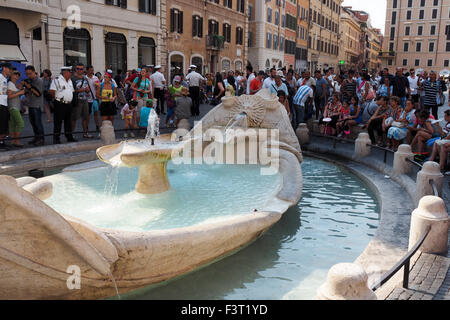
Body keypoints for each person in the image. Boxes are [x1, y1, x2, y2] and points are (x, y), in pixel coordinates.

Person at [50, 66, 77, 144]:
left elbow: (72, 91)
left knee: (68, 121)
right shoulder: (57, 80)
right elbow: (52, 91)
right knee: (58, 122)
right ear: (65, 72)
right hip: (60, 103)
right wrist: (57, 98)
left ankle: (69, 136)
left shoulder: (70, 81)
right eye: (70, 72)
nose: (71, 74)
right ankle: (56, 138)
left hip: (68, 104)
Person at [24, 65, 45, 146]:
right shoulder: (30, 80)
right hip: (30, 104)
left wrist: (30, 87)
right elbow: (27, 91)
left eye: (30, 73)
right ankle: (36, 137)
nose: (28, 75)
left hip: (37, 105)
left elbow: (38, 94)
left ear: (34, 72)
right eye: (27, 74)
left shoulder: (39, 81)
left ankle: (41, 139)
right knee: (33, 123)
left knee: (38, 123)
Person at [71, 63, 92, 139]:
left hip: (85, 99)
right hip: (77, 100)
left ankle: (85, 133)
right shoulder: (73, 78)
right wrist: (81, 90)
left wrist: (87, 90)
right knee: (74, 118)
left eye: (81, 69)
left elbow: (87, 88)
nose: (79, 70)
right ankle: (71, 134)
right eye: (78, 69)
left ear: (83, 70)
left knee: (86, 117)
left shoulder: (85, 78)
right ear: (75, 69)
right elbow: (71, 90)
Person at [7, 70, 25, 147]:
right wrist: (20, 93)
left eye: (18, 74)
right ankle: (16, 141)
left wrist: (20, 87)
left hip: (14, 107)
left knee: (13, 124)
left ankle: (13, 141)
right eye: (15, 74)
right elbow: (9, 96)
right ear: (11, 75)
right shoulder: (10, 84)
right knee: (20, 123)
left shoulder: (13, 84)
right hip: (13, 107)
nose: (17, 75)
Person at [0, 62, 12, 149]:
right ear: (4, 68)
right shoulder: (0, 77)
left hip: (4, 103)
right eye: (9, 68)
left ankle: (2, 141)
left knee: (4, 124)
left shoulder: (5, 78)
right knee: (1, 124)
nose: (10, 71)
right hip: (0, 104)